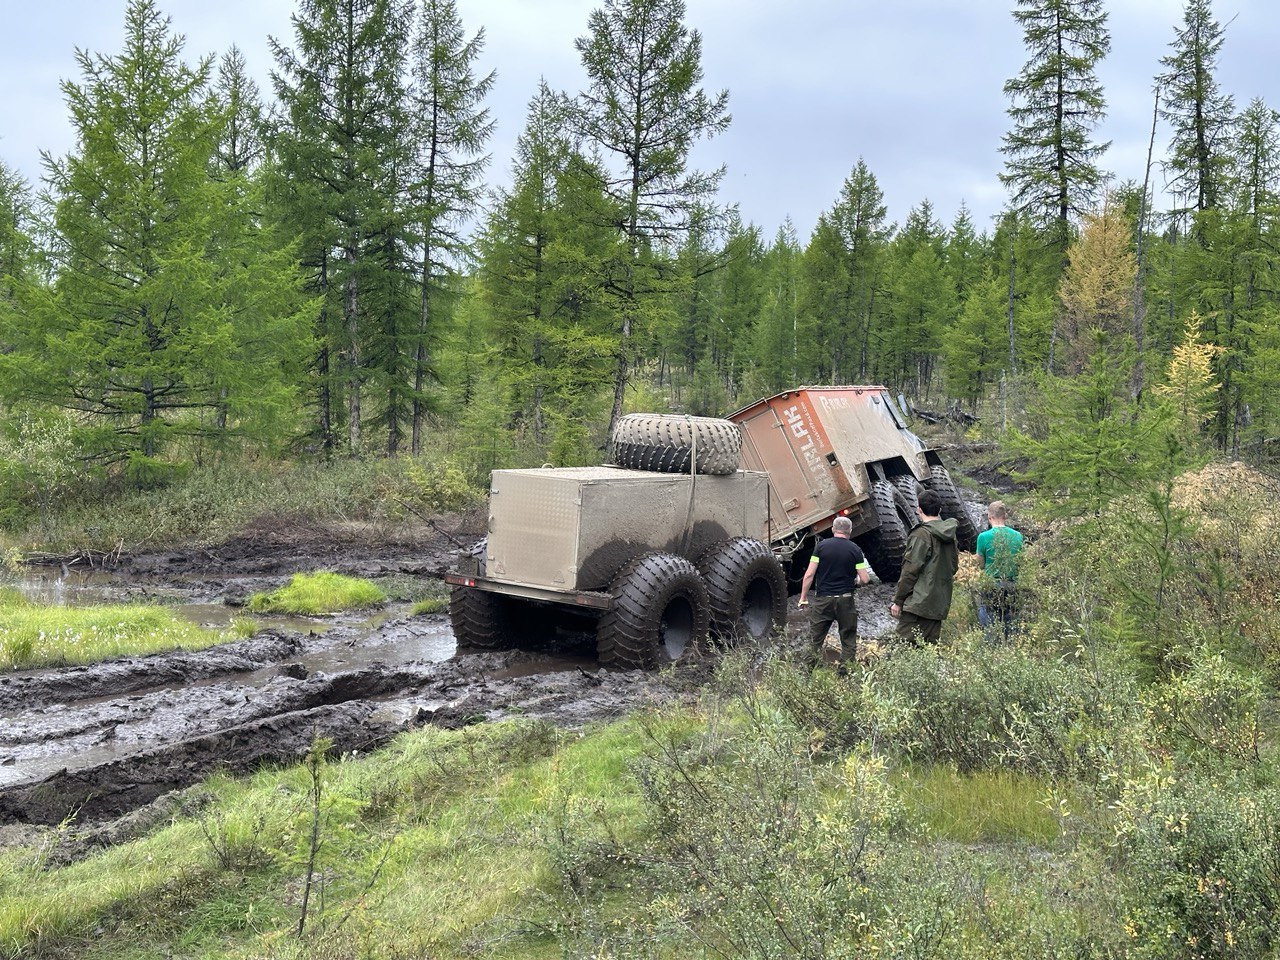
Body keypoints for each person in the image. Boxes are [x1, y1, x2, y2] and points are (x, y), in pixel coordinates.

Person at [798, 515, 871, 664]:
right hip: (846, 600)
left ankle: (806, 676)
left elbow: (809, 574)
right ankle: (845, 675)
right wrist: (856, 583)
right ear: (849, 531)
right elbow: (865, 579)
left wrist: (803, 598)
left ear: (833, 529)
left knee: (814, 640)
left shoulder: (821, 547)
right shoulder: (855, 550)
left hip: (823, 600)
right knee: (848, 641)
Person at [891, 489, 959, 645]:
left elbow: (910, 572)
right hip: (939, 604)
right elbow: (953, 567)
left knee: (900, 651)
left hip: (917, 605)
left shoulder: (920, 535)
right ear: (940, 510)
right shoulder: (951, 535)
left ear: (918, 509)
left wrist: (898, 601)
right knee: (928, 653)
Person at [975, 500, 1024, 642]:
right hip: (1012, 584)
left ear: (989, 517)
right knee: (1011, 624)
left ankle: (992, 653)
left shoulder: (983, 537)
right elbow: (1020, 562)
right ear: (1005, 516)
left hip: (992, 584)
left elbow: (980, 564)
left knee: (989, 624)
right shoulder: (1018, 536)